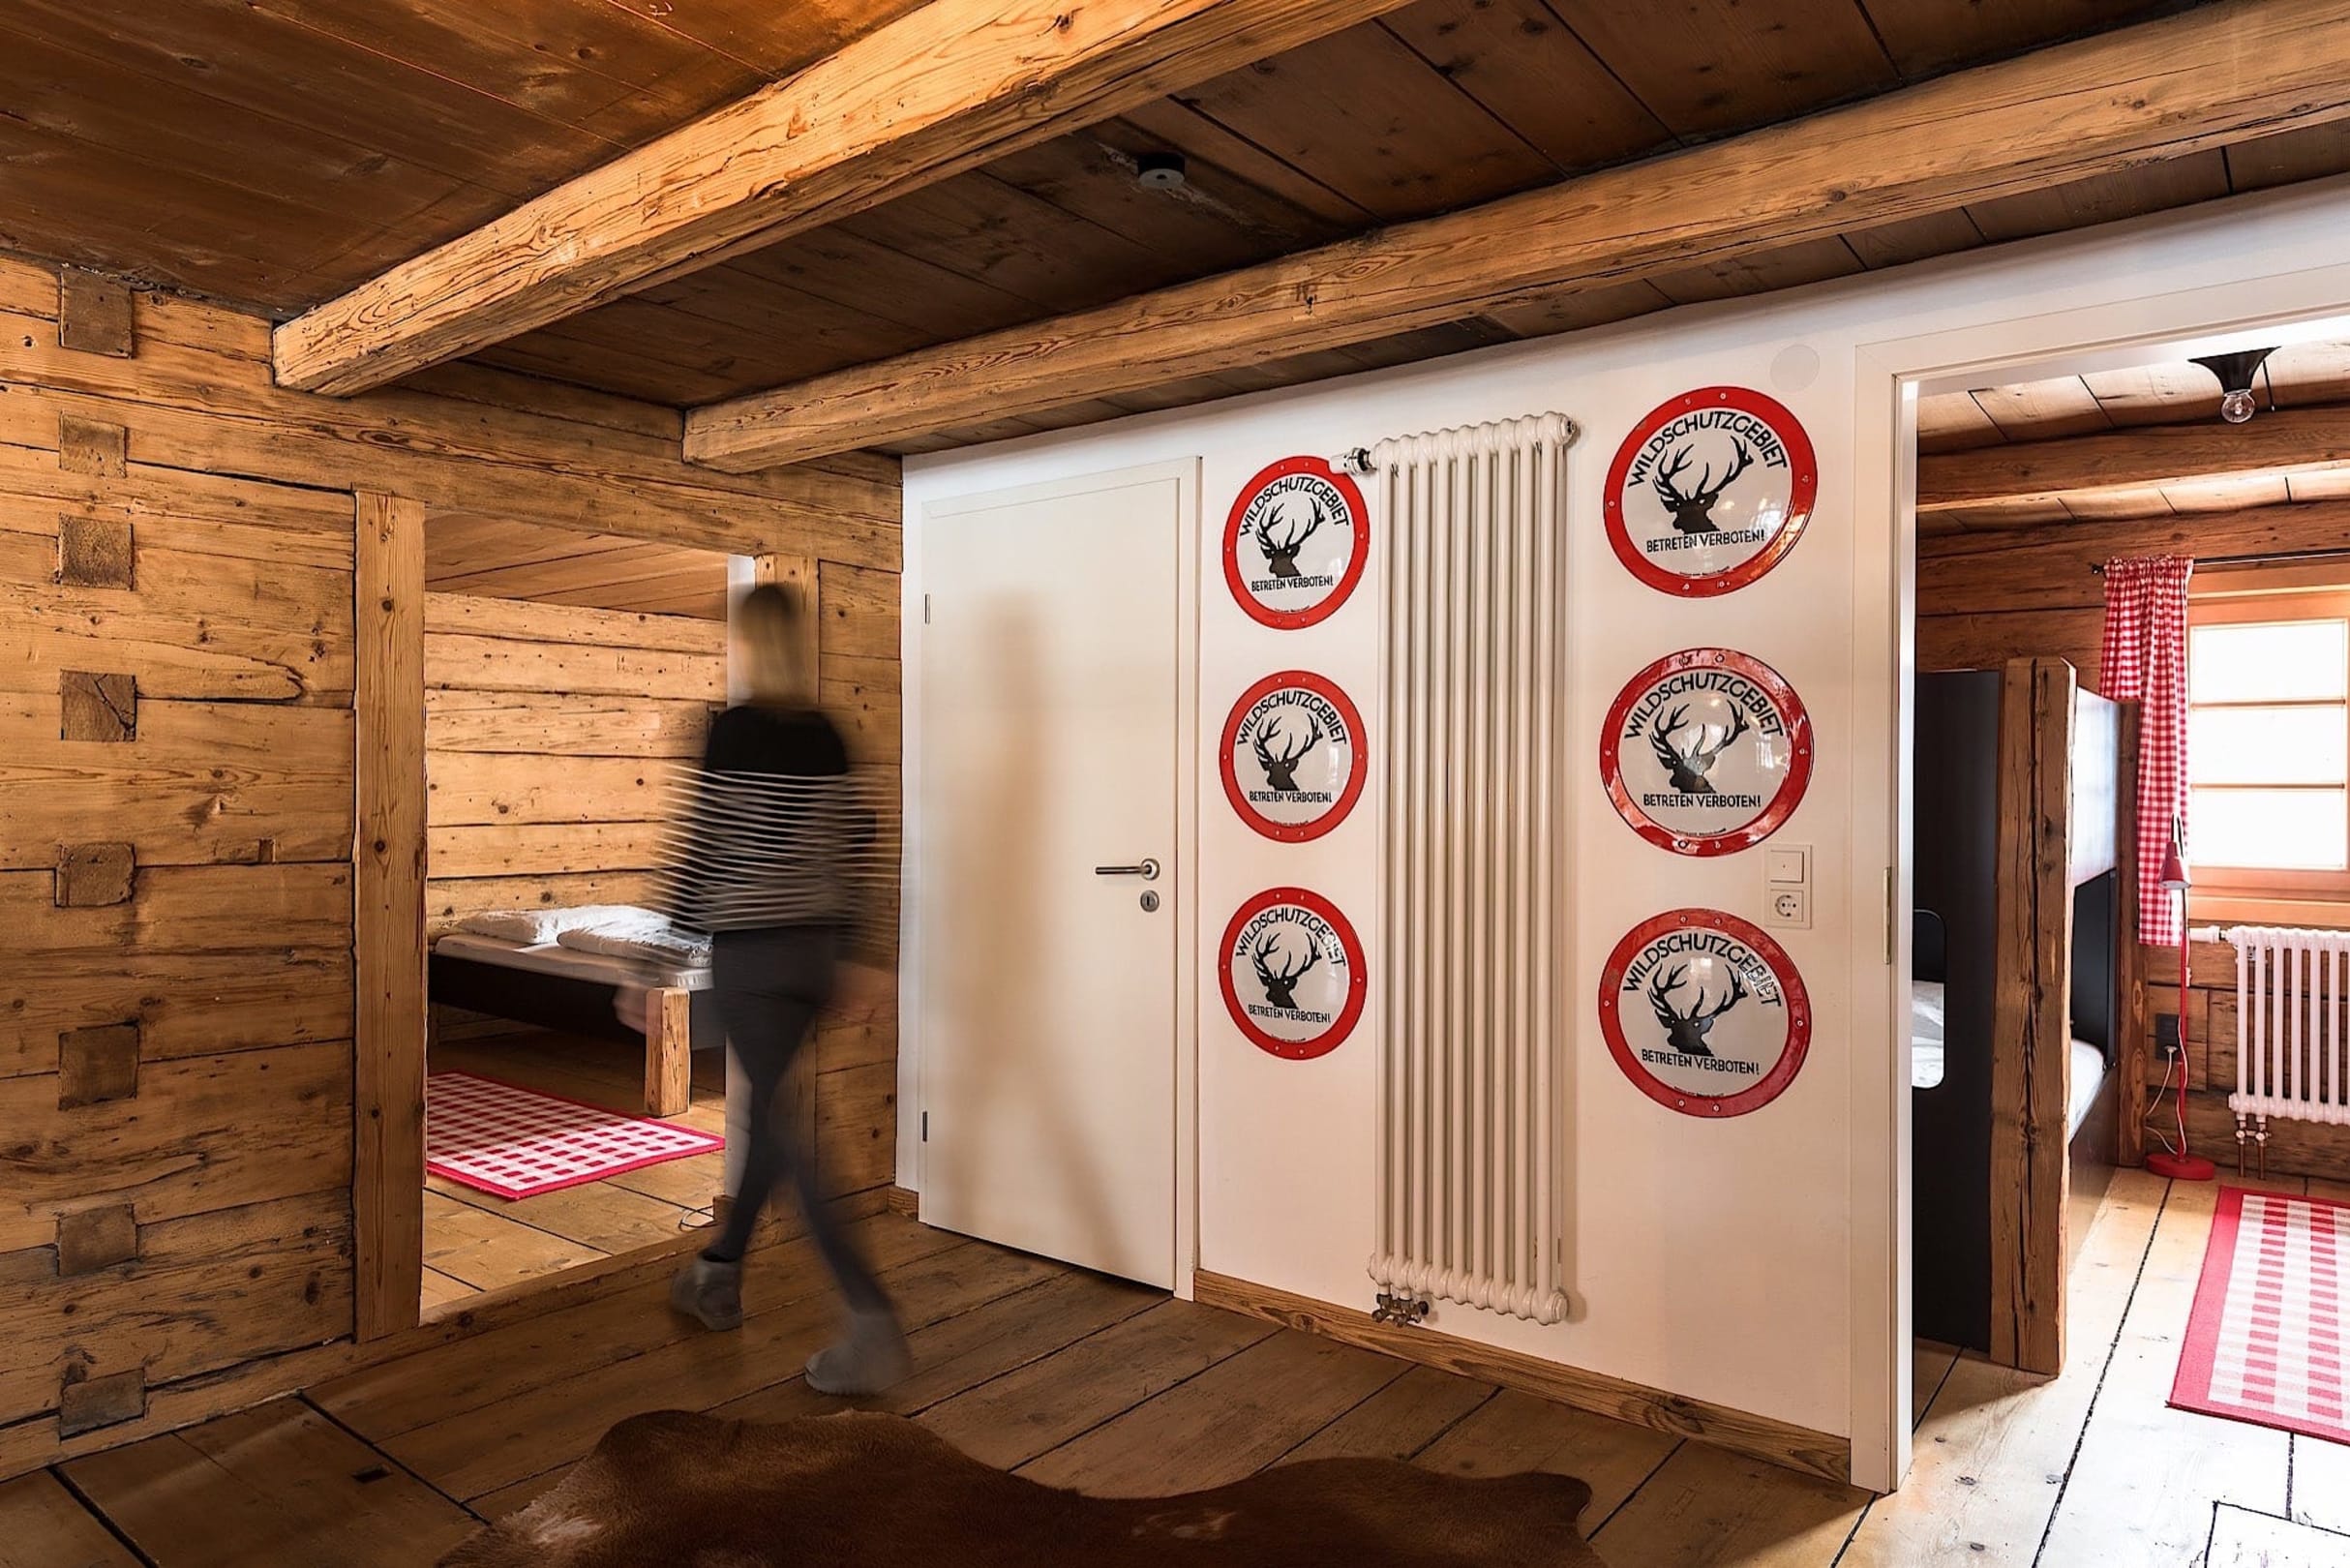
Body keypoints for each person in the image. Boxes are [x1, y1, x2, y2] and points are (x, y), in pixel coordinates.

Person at [660, 582, 906, 1396]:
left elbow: (701, 846)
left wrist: (653, 961)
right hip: (818, 951)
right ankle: (717, 1272)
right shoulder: (829, 733)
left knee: (791, 1140)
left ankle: (871, 1321)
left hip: (755, 958)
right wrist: (863, 953)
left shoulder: (729, 729)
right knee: (769, 1119)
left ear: (746, 644)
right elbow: (860, 843)